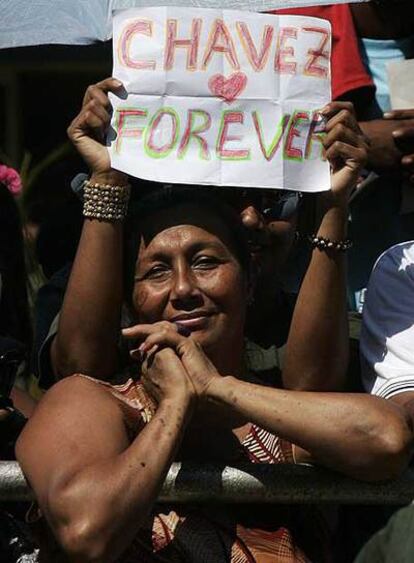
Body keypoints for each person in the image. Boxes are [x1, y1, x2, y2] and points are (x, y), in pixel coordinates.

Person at [15, 80, 412, 562]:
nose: (184, 289)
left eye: (206, 263)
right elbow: (87, 531)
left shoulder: (269, 417)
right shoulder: (89, 402)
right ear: (129, 297)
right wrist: (175, 405)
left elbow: (386, 438)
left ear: (249, 283)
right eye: (157, 271)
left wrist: (217, 388)